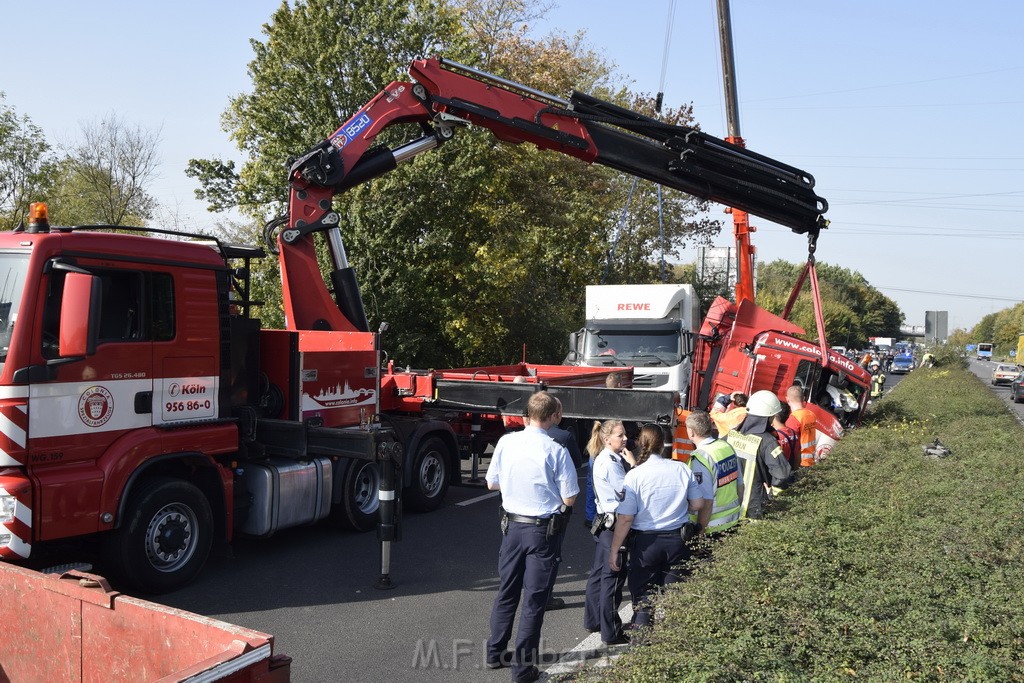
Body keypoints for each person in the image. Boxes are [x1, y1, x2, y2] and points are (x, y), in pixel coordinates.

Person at [485, 391, 579, 683]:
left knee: (507, 592)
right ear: (553, 417)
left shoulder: (506, 442)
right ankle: (523, 669)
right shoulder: (556, 450)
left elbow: (491, 483)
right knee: (534, 601)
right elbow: (570, 497)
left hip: (512, 528)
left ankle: (495, 652)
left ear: (528, 414)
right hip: (542, 531)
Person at [608, 425, 706, 629]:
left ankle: (642, 647)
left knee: (644, 602)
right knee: (676, 602)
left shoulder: (634, 476)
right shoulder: (681, 468)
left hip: (646, 544)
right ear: (663, 445)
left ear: (640, 444)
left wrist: (614, 550)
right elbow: (698, 505)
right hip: (678, 542)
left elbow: (626, 518)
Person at [583, 420, 635, 646]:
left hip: (604, 524)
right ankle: (611, 632)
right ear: (607, 439)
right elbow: (627, 493)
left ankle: (594, 620)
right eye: (620, 435)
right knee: (612, 579)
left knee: (598, 575)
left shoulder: (604, 458)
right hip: (614, 527)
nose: (625, 439)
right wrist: (633, 466)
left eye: (624, 435)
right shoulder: (611, 463)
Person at [725, 390, 792, 520]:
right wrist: (773, 497)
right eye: (772, 417)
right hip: (754, 511)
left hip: (729, 510)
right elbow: (782, 475)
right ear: (767, 417)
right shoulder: (768, 442)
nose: (773, 422)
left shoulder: (731, 434)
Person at [544, 397, 583, 611]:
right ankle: (546, 595)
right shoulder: (563, 436)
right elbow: (577, 462)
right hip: (556, 501)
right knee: (552, 551)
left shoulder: (515, 438)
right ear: (557, 414)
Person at [685, 410, 743, 535]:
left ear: (691, 431)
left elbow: (706, 500)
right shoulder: (726, 446)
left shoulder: (700, 458)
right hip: (732, 522)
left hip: (711, 528)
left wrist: (699, 533)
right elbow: (740, 485)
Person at [785, 385, 818, 468]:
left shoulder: (793, 419)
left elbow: (790, 443)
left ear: (787, 399)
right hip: (810, 460)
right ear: (803, 398)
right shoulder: (811, 414)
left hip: (799, 462)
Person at [772, 402, 801, 472]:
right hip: (791, 473)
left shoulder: (776, 437)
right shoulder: (794, 433)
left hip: (779, 476)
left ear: (774, 415)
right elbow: (798, 457)